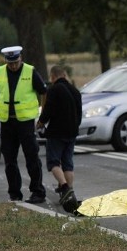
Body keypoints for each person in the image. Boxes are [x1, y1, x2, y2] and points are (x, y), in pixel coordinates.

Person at [0, 46, 48, 203]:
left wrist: (43, 116)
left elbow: (44, 92)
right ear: (6, 61)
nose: (13, 66)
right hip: (7, 122)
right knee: (9, 159)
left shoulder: (30, 71)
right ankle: (14, 193)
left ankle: (37, 192)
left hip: (25, 122)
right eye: (10, 63)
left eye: (16, 62)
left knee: (31, 156)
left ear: (21, 59)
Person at [36, 65, 82, 213]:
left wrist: (41, 122)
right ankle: (70, 195)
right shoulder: (75, 91)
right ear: (65, 75)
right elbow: (79, 113)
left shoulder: (54, 90)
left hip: (57, 132)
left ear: (53, 76)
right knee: (68, 163)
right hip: (72, 132)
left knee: (54, 162)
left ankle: (64, 187)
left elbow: (48, 109)